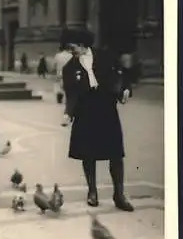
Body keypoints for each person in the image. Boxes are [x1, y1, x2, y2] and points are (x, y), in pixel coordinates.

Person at [61, 28, 134, 212]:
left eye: (72, 47)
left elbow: (122, 75)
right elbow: (71, 95)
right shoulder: (69, 68)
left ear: (82, 44)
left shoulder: (106, 56)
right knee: (88, 154)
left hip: (106, 107)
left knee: (116, 153)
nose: (71, 51)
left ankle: (119, 194)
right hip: (85, 110)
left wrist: (125, 90)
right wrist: (68, 114)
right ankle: (92, 192)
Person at [53, 44, 74, 126]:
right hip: (70, 76)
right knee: (69, 94)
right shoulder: (72, 56)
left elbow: (54, 65)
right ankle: (68, 111)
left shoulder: (58, 55)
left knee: (59, 87)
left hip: (60, 74)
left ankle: (59, 98)